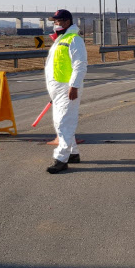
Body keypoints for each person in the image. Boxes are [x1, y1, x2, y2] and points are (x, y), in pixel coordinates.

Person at [44, 9, 88, 173]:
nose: (57, 23)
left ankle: (61, 158)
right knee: (60, 122)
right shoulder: (60, 39)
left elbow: (80, 65)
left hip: (67, 88)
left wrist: (74, 86)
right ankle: (73, 153)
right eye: (55, 21)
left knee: (64, 123)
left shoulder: (74, 40)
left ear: (68, 21)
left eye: (60, 20)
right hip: (57, 89)